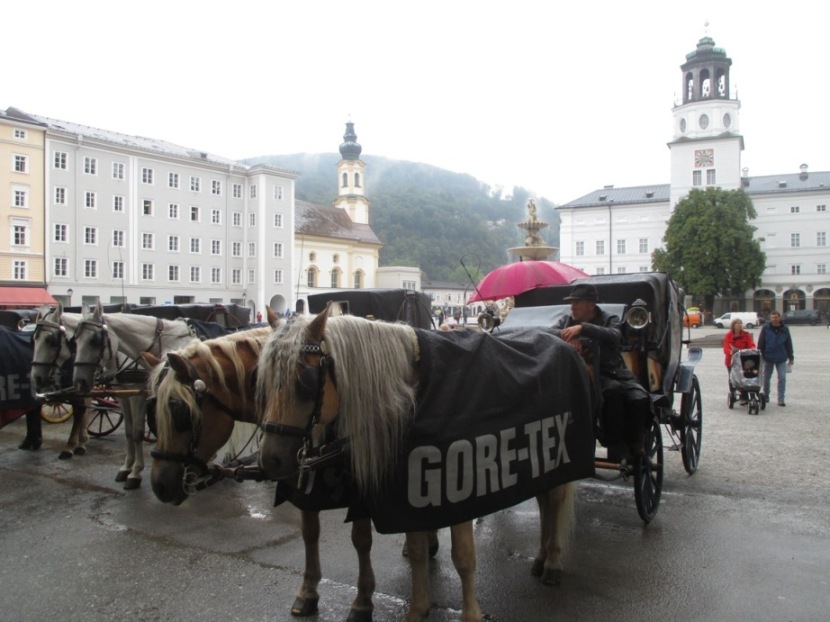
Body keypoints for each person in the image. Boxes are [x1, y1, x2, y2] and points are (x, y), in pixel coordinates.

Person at [554, 283, 651, 458]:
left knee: (637, 397)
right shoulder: (566, 322)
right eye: (571, 302)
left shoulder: (610, 319)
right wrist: (568, 338)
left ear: (591, 305)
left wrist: (583, 328)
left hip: (610, 373)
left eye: (577, 302)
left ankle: (631, 443)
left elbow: (613, 335)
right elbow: (550, 332)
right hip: (577, 377)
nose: (572, 307)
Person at [758, 310, 794, 406]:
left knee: (782, 378)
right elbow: (761, 342)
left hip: (781, 357)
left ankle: (781, 399)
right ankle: (766, 395)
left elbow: (788, 343)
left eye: (776, 317)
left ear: (779, 317)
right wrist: (760, 355)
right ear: (770, 318)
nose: (774, 319)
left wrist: (791, 356)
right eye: (772, 317)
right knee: (766, 378)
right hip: (768, 357)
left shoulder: (785, 329)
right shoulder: (766, 328)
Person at [723, 318, 756, 405]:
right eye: (737, 323)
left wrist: (752, 349)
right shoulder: (728, 335)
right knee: (732, 378)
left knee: (744, 377)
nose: (739, 325)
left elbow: (751, 344)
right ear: (733, 325)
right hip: (732, 361)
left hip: (743, 360)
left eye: (740, 323)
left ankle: (744, 396)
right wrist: (730, 352)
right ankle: (733, 392)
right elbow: (726, 347)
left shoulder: (746, 335)